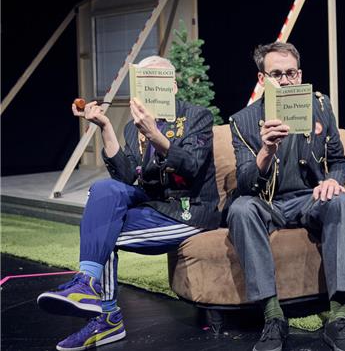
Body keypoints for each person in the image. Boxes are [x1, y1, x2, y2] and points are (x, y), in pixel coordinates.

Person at [37, 55, 220, 351]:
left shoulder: (197, 116)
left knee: (103, 231)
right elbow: (125, 177)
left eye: (158, 81)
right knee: (105, 191)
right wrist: (105, 126)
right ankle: (88, 282)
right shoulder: (133, 128)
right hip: (153, 206)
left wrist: (155, 135)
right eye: (144, 83)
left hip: (190, 212)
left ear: (172, 86)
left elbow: (191, 166)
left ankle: (107, 317)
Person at [227, 41, 345, 351]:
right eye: (276, 74)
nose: (285, 81)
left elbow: (339, 162)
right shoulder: (243, 120)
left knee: (339, 200)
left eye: (290, 73)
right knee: (241, 209)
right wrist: (265, 150)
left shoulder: (321, 105)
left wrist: (331, 181)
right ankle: (273, 316)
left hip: (308, 198)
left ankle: (338, 317)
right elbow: (246, 184)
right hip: (268, 203)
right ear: (262, 79)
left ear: (299, 75)